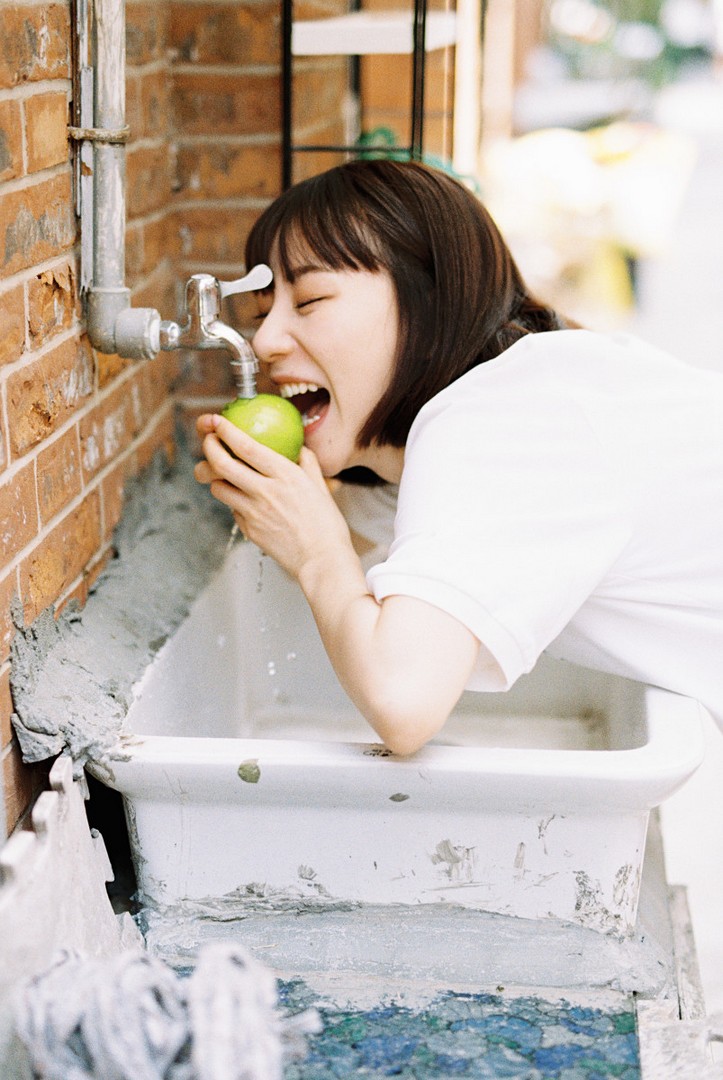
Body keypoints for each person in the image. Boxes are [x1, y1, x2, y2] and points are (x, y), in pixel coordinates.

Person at [194, 158, 723, 756]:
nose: (263, 342)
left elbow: (403, 698)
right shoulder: (492, 415)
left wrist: (316, 550)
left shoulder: (505, 416)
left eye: (310, 299)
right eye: (262, 314)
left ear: (429, 299)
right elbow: (388, 574)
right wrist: (283, 509)